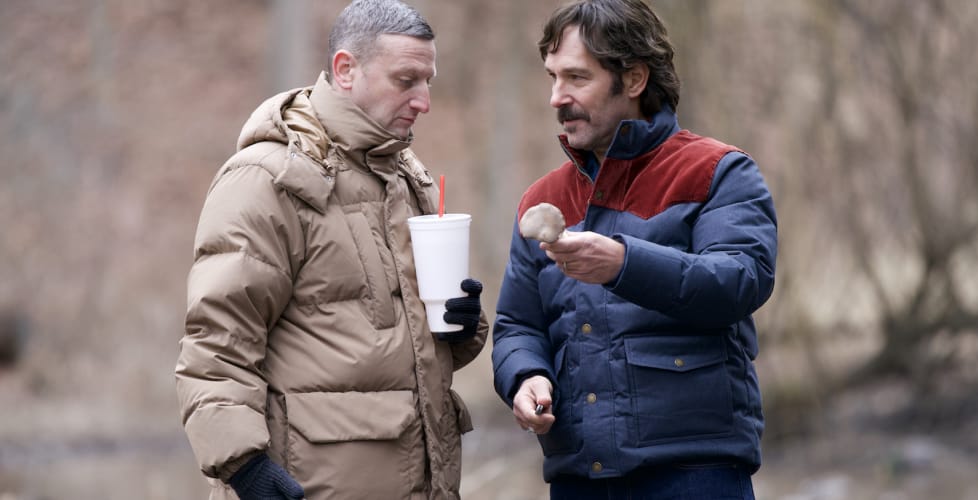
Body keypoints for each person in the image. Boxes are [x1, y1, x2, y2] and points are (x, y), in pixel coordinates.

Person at [175, 1, 488, 498]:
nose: (424, 101)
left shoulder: (407, 178)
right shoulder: (267, 179)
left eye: (428, 81)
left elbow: (394, 349)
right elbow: (217, 342)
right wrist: (244, 466)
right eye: (406, 81)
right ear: (346, 70)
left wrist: (459, 327)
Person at [491, 0, 778, 499]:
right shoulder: (541, 200)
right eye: (553, 78)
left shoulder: (719, 171)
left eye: (577, 78)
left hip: (696, 473)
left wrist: (623, 264)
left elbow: (740, 280)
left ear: (634, 79)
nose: (557, 98)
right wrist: (525, 376)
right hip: (579, 477)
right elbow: (517, 325)